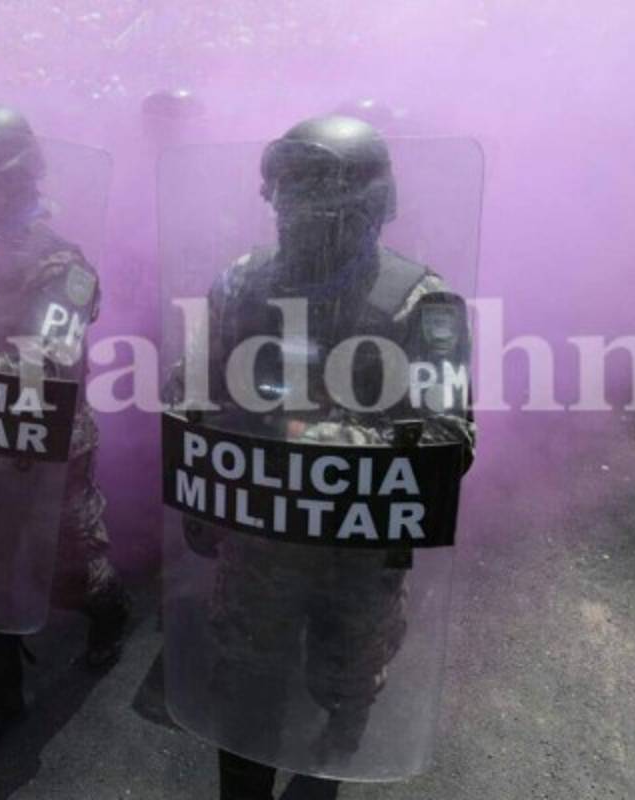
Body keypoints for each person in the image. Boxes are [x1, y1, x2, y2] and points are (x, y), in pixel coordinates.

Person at [171, 115, 475, 799]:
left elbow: (446, 439)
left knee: (343, 688)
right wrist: (196, 473)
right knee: (246, 685)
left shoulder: (422, 305)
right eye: (288, 201)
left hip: (356, 549)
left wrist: (311, 441)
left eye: (316, 207)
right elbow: (189, 391)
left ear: (369, 211)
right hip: (259, 538)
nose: (294, 219)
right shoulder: (238, 286)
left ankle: (326, 773)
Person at [0, 104, 131, 768]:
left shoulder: (59, 263)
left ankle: (108, 610)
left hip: (44, 449)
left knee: (68, 567)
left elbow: (49, 360)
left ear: (11, 177)